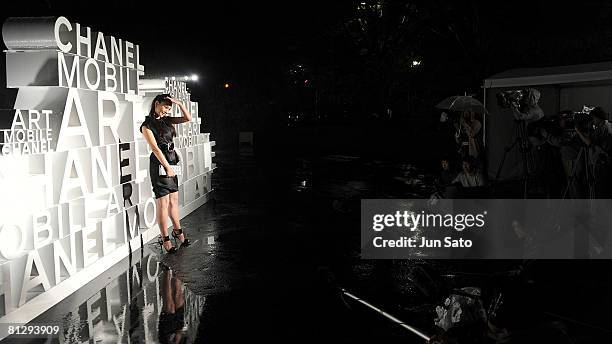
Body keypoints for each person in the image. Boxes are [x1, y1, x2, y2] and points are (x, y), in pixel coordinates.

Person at [140, 94, 192, 253]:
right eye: (166, 107)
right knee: (163, 203)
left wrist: (179, 103)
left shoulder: (167, 120)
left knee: (174, 201)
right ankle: (165, 238)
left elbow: (187, 118)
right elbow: (155, 149)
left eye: (170, 108)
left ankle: (178, 231)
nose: (168, 110)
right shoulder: (147, 125)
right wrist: (167, 167)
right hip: (159, 163)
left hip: (172, 160)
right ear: (156, 103)